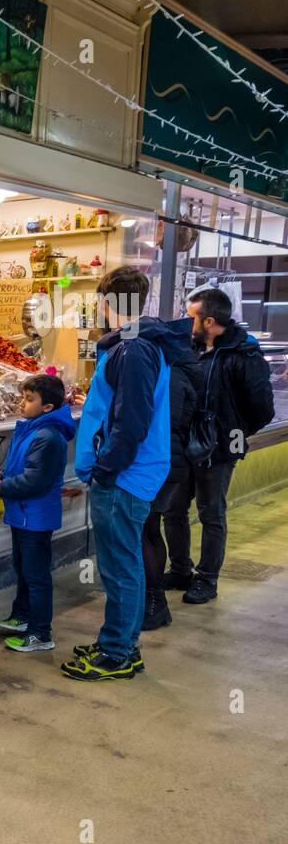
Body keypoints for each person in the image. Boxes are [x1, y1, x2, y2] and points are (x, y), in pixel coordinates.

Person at [62, 267, 193, 682]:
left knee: (119, 567)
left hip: (124, 476)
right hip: (128, 473)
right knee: (125, 563)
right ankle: (119, 643)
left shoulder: (134, 349)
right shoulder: (137, 344)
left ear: (107, 303)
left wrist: (105, 469)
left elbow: (131, 422)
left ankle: (118, 652)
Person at [161, 288, 275, 605]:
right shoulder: (189, 350)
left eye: (191, 316)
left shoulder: (243, 355)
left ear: (209, 321)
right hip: (184, 445)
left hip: (219, 450)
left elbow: (263, 408)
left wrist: (228, 432)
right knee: (173, 510)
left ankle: (207, 579)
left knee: (211, 514)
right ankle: (180, 569)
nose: (186, 322)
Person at [0, 373, 76, 653]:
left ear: (47, 407)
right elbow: (20, 469)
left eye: (29, 399)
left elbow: (35, 480)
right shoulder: (31, 428)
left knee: (36, 575)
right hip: (22, 513)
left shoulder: (48, 436)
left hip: (35, 516)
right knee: (23, 568)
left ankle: (40, 632)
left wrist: (1, 488)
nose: (22, 403)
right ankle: (22, 616)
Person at [140, 328, 201, 630]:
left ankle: (154, 602)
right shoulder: (182, 370)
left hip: (161, 463)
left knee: (147, 530)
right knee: (150, 529)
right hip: (171, 464)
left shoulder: (171, 376)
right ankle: (152, 600)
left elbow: (161, 423)